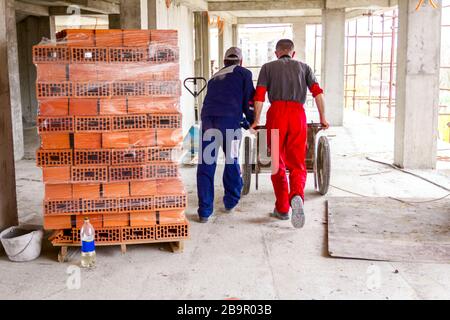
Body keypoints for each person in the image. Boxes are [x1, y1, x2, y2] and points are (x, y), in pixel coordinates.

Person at [251, 39, 329, 229]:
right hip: (297, 116)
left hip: (276, 115)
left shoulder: (267, 68)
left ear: (276, 53)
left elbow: (260, 96)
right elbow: (318, 93)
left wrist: (256, 120)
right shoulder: (305, 67)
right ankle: (296, 195)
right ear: (292, 53)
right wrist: (323, 117)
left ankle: (283, 208)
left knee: (278, 162)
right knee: (297, 163)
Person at [197, 47, 255, 223]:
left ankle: (205, 212)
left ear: (224, 62)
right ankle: (230, 201)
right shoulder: (244, 73)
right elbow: (248, 101)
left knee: (206, 165)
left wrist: (242, 121)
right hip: (229, 123)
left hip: (208, 122)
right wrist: (251, 121)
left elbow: (219, 101)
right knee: (232, 161)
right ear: (241, 61)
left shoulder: (214, 77)